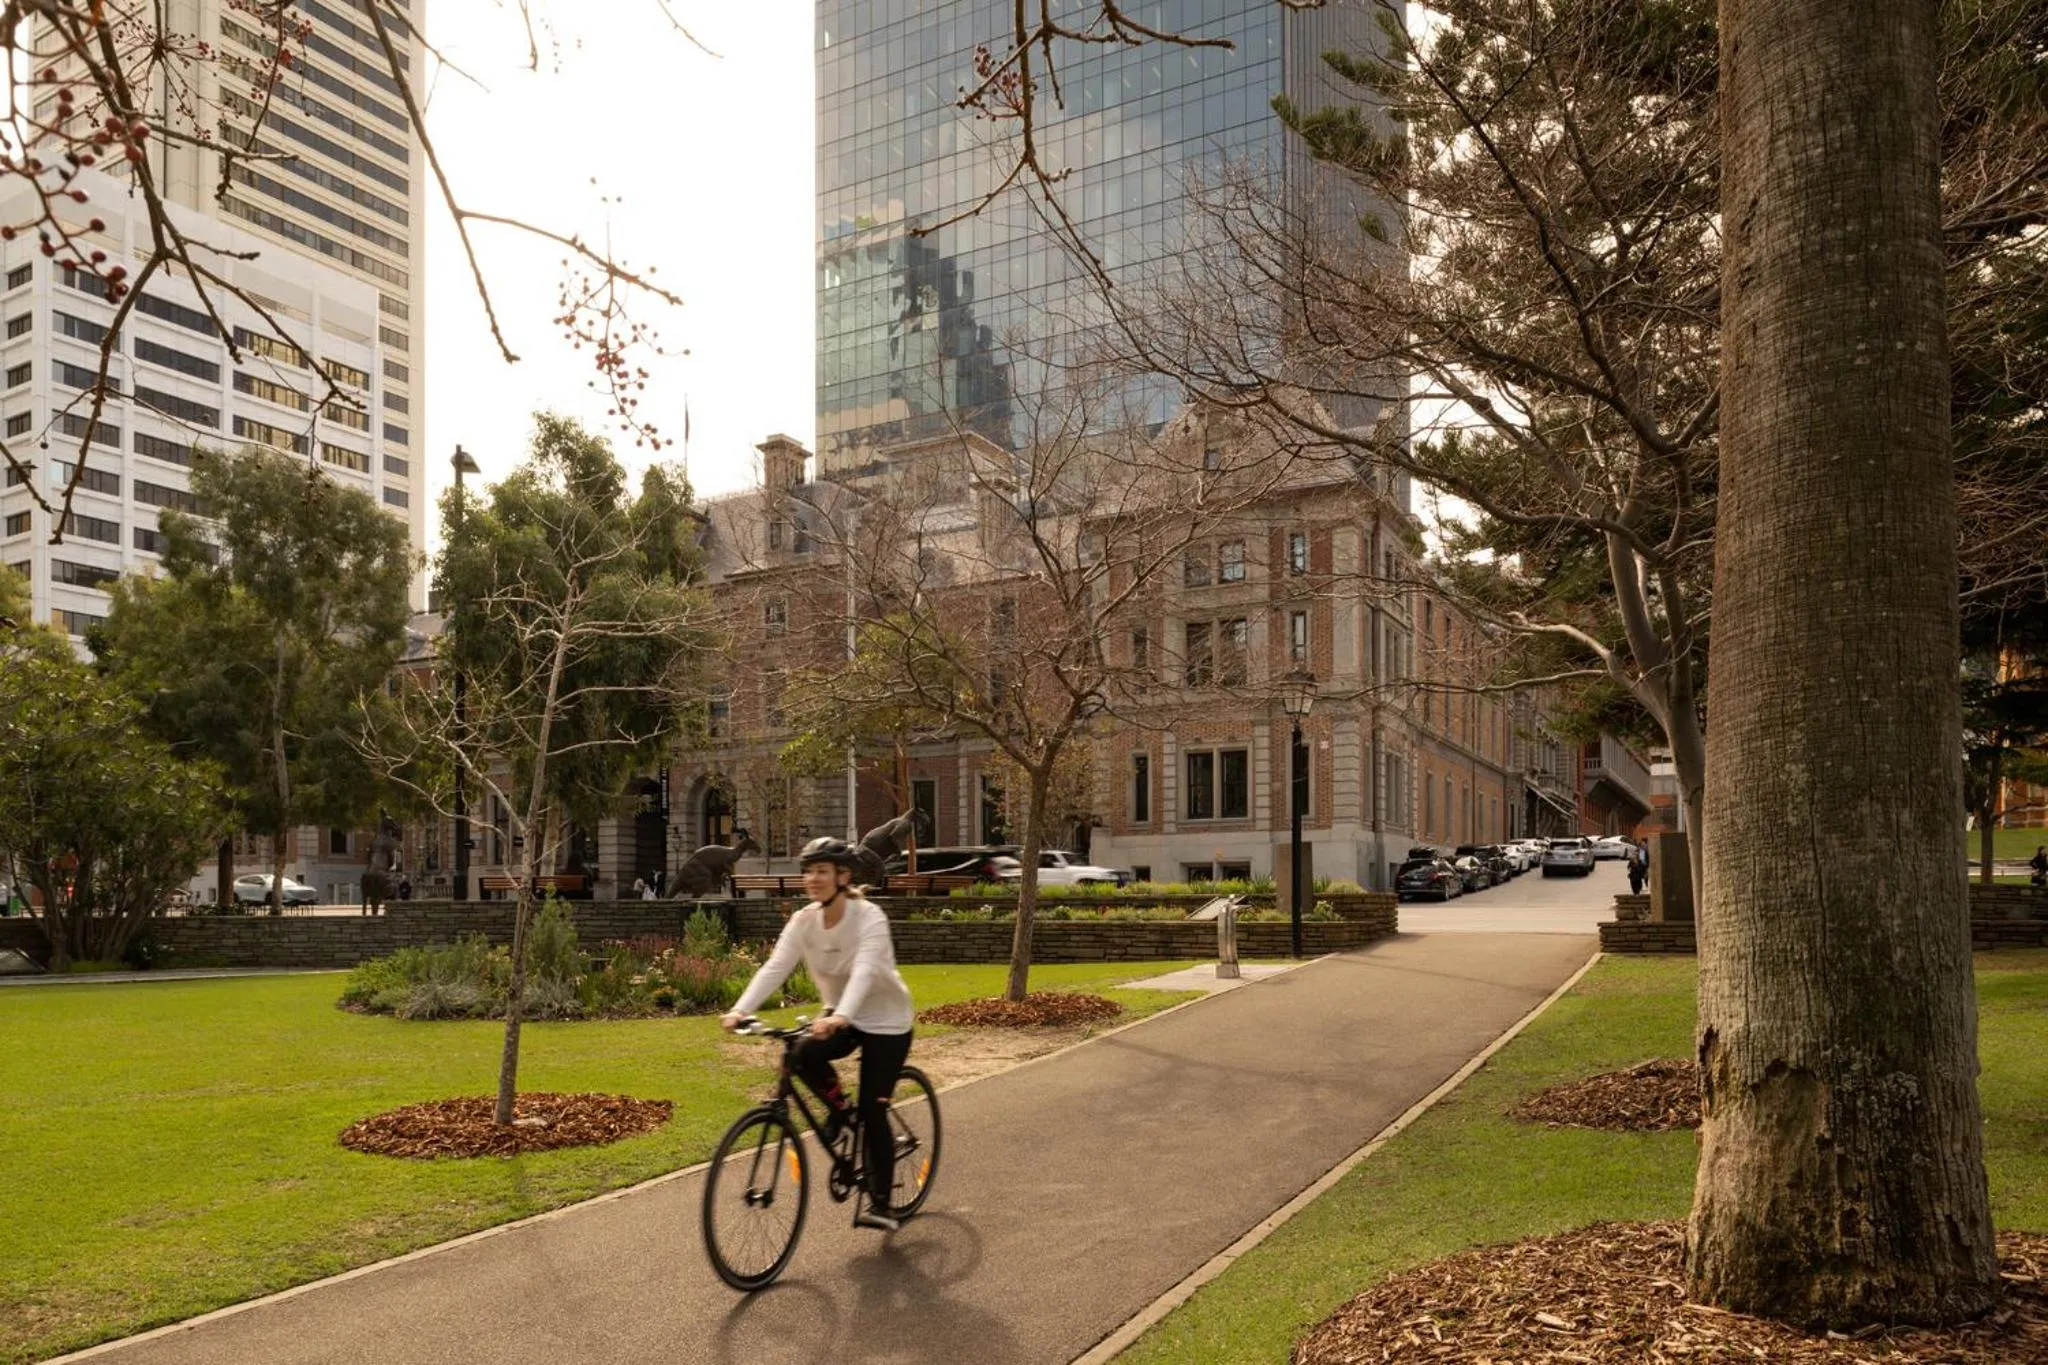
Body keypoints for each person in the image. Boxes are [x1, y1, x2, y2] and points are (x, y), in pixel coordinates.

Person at [722, 835, 915, 1233]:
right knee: (801, 1053)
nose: (813, 878)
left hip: (885, 1020)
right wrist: (742, 1008)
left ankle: (881, 1202)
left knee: (874, 1111)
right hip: (838, 1015)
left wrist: (842, 1014)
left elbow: (864, 969)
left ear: (843, 876)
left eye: (822, 871)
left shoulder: (870, 918)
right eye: (808, 871)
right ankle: (842, 1113)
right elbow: (776, 967)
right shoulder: (804, 920)